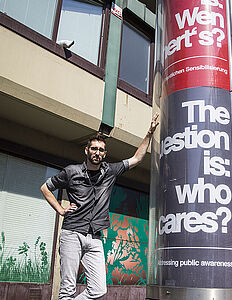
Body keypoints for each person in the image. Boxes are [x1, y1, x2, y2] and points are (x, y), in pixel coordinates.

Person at [40, 113, 159, 300]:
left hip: (94, 238)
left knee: (98, 290)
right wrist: (60, 209)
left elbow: (136, 159)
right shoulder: (71, 172)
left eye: (101, 150)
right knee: (67, 290)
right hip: (72, 233)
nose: (97, 152)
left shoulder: (110, 171)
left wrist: (149, 133)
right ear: (86, 151)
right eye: (94, 149)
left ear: (105, 154)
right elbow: (45, 188)